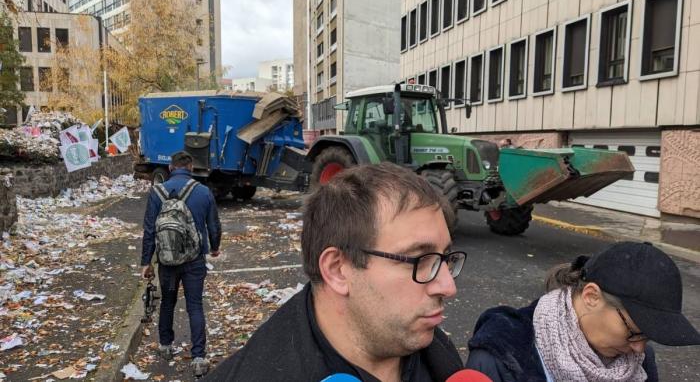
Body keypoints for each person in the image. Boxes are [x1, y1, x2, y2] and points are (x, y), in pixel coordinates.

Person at [204, 162, 466, 381]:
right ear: (338, 270)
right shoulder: (260, 373)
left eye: (445, 258)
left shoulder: (428, 347)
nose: (448, 287)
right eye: (419, 259)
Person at [466, 241, 700, 382]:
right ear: (591, 297)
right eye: (633, 331)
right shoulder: (500, 355)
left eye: (648, 335)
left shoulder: (639, 359)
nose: (639, 348)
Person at [140, 151, 222, 378]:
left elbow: (149, 230)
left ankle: (166, 345)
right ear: (191, 167)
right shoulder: (203, 192)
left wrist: (146, 261)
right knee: (195, 305)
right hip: (194, 259)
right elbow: (214, 225)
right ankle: (198, 358)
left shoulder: (156, 192)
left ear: (170, 169)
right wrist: (214, 247)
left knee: (167, 302)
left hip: (166, 261)